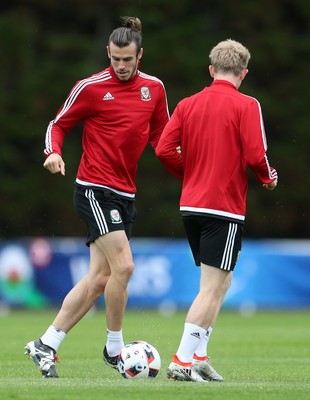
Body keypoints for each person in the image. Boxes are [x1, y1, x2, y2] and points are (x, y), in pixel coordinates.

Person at [24, 16, 170, 378]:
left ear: (140, 56)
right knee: (125, 267)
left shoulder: (155, 88)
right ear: (108, 53)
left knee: (100, 280)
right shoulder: (91, 87)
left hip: (125, 194)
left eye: (128, 60)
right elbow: (58, 124)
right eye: (115, 58)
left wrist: (184, 162)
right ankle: (115, 348)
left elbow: (162, 136)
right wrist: (52, 152)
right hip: (94, 189)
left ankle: (47, 343)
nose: (121, 66)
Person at [155, 39, 278, 382]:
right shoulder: (247, 104)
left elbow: (165, 149)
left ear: (211, 70)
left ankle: (200, 356)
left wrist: (192, 172)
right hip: (222, 207)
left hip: (191, 206)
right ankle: (182, 360)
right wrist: (269, 178)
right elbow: (257, 156)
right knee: (211, 287)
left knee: (221, 282)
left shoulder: (188, 103)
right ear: (244, 73)